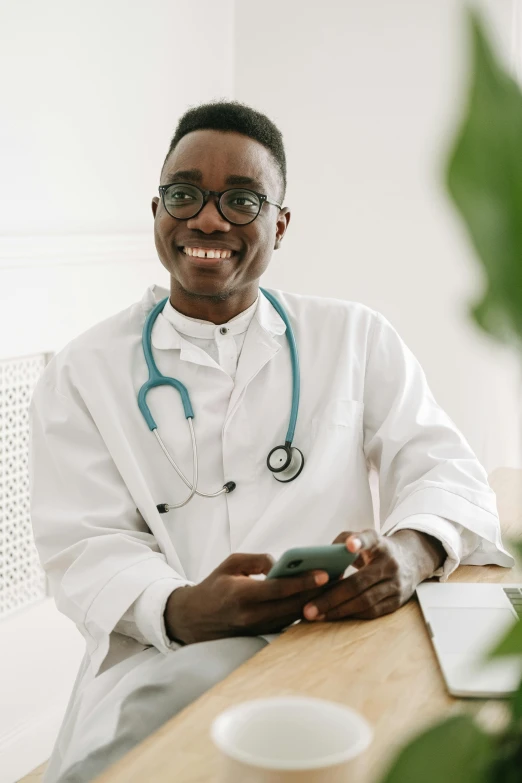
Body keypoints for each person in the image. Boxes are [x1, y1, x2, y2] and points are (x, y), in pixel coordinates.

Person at [29, 100, 513, 783]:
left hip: (333, 638)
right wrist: (179, 607)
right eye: (185, 193)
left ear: (279, 225)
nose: (207, 217)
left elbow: (445, 468)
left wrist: (408, 553)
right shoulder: (86, 369)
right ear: (158, 210)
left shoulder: (354, 336)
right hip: (165, 658)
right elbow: (82, 543)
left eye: (242, 200)